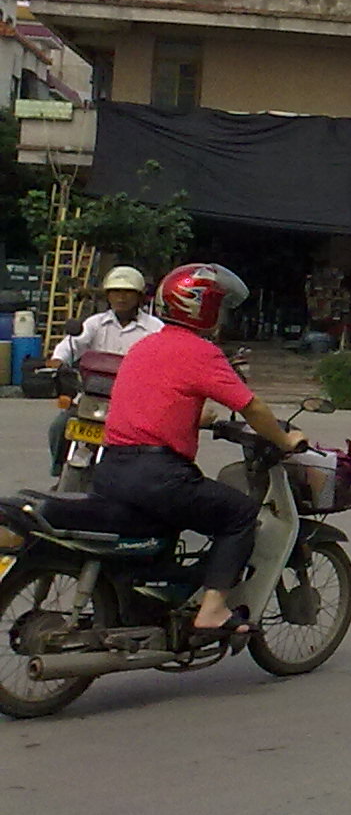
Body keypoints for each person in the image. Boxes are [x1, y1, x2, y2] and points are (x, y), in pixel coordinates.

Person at [94, 263, 307, 642]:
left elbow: (157, 399)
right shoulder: (200, 352)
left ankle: (154, 604)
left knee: (167, 526)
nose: (222, 317)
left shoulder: (145, 345)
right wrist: (284, 440)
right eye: (219, 307)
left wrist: (198, 418)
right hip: (158, 475)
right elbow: (252, 407)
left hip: (111, 469)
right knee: (240, 514)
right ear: (201, 309)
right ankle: (212, 610)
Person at [45, 266, 163, 478]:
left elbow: (165, 359)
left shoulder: (155, 329)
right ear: (108, 295)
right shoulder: (95, 323)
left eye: (127, 292)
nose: (121, 297)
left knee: (152, 443)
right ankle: (60, 473)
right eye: (115, 291)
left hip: (133, 402)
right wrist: (59, 359)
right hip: (93, 398)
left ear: (139, 296)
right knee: (60, 426)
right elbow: (73, 344)